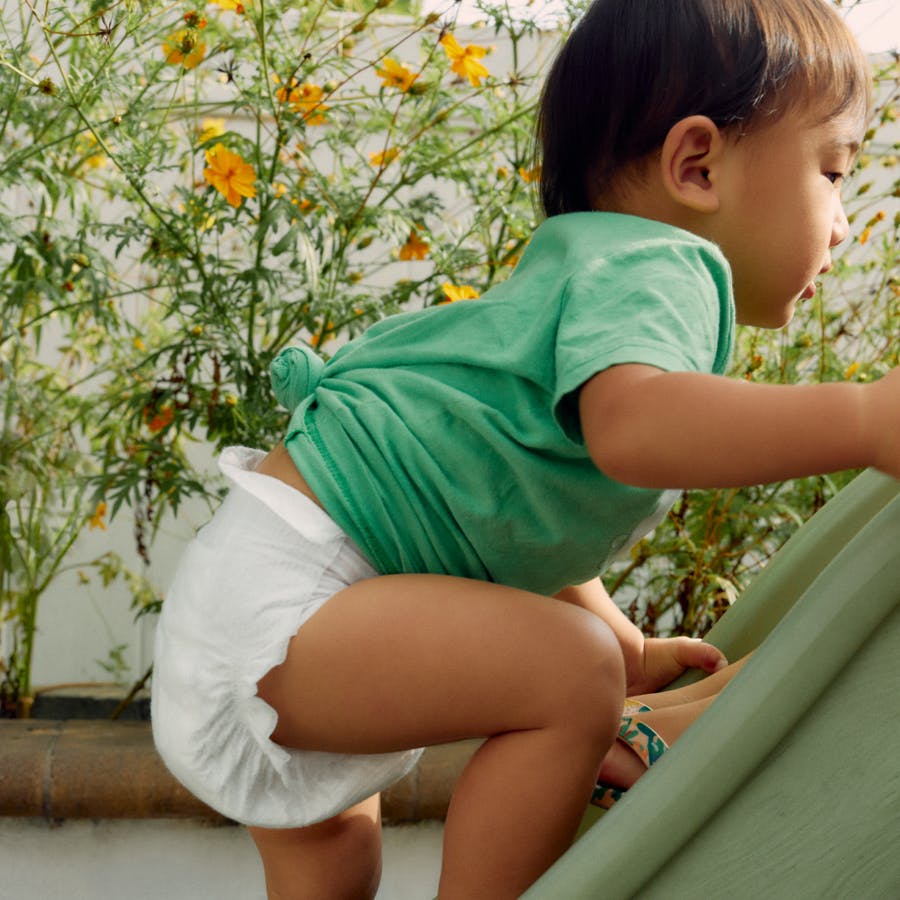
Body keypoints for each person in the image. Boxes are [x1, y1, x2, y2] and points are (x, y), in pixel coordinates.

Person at [151, 0, 899, 896]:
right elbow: (639, 431)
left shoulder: (585, 267)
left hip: (251, 608)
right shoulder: (663, 267)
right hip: (291, 609)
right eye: (833, 171)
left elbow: (512, 502)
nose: (846, 219)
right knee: (568, 679)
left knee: (337, 863)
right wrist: (863, 421)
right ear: (697, 164)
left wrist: (624, 642)